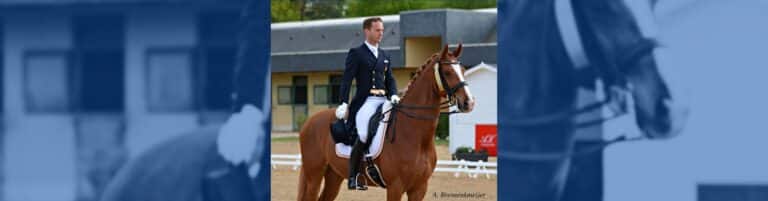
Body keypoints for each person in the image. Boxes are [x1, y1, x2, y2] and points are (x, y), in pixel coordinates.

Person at [335, 17, 399, 191]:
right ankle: (353, 176)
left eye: (382, 30)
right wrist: (343, 102)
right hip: (366, 101)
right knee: (363, 134)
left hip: (384, 100)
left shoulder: (385, 55)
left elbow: (390, 79)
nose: (381, 33)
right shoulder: (356, 53)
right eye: (377, 30)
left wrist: (393, 94)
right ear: (367, 31)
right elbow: (346, 80)